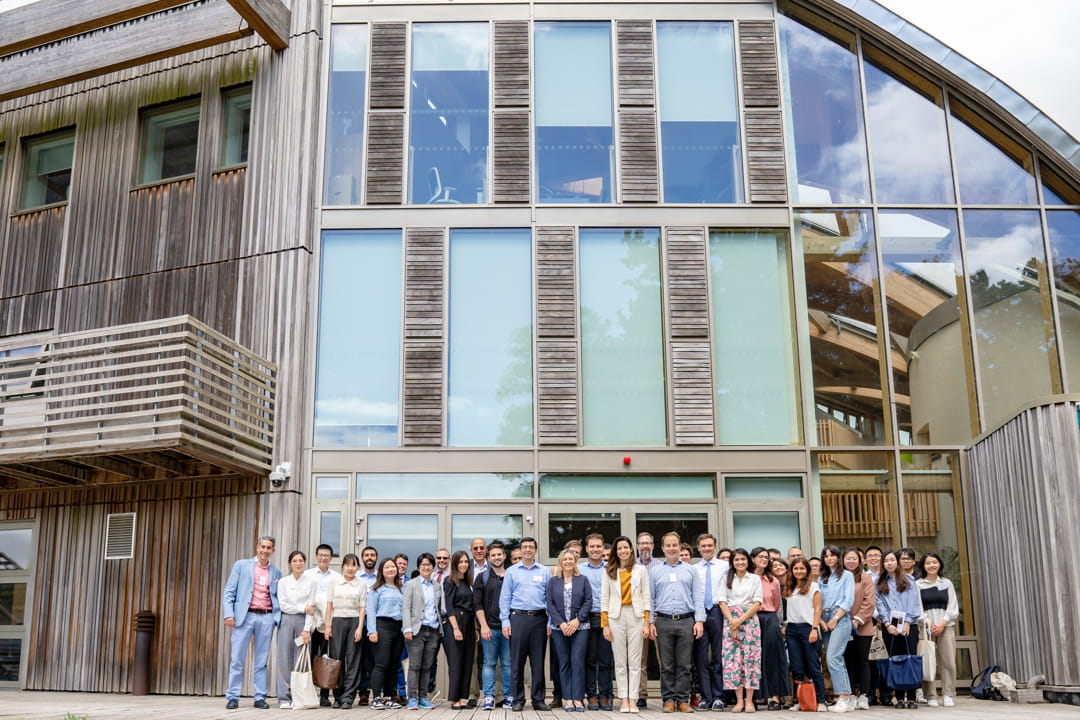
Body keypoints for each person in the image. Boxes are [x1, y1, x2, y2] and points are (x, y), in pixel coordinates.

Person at [222, 536, 281, 710]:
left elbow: (278, 596)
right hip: (244, 616)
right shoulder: (241, 565)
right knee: (237, 659)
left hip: (267, 617)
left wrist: (276, 619)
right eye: (262, 547)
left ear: (273, 551)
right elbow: (229, 591)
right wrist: (228, 614)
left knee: (261, 660)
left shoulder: (276, 572)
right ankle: (233, 696)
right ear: (257, 547)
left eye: (268, 548)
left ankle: (260, 697)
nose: (265, 550)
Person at [648, 532, 705, 713]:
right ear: (663, 548)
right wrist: (649, 622)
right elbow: (649, 598)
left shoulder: (690, 570)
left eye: (675, 545)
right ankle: (668, 700)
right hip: (663, 621)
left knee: (684, 664)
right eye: (668, 545)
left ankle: (682, 700)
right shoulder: (655, 571)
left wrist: (699, 621)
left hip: (686, 621)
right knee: (666, 664)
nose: (671, 548)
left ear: (680, 547)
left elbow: (698, 596)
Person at [500, 536, 552, 711]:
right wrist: (505, 621)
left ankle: (538, 700)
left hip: (539, 619)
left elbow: (549, 599)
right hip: (518, 619)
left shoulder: (545, 571)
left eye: (531, 547)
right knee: (517, 662)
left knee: (538, 662)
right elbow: (505, 598)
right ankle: (518, 700)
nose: (528, 550)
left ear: (536, 550)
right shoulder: (512, 571)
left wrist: (550, 622)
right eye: (525, 547)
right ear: (521, 551)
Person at [602, 535, 651, 714]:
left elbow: (646, 597)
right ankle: (623, 699)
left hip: (636, 616)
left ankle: (633, 699)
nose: (623, 551)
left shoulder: (640, 570)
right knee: (620, 661)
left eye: (626, 548)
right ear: (616, 551)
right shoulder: (609, 570)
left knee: (636, 661)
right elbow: (604, 599)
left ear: (631, 550)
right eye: (619, 548)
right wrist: (605, 625)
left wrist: (647, 622)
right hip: (616, 616)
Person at [548, 548, 593, 711]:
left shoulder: (583, 580)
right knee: (564, 662)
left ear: (575, 562)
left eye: (571, 559)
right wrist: (561, 623)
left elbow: (588, 601)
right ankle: (568, 698)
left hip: (580, 628)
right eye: (565, 559)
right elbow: (550, 604)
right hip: (559, 628)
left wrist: (576, 621)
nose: (568, 561)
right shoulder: (553, 581)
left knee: (578, 662)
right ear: (560, 562)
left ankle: (578, 698)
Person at [876, 551, 922, 709]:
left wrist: (908, 622)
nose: (889, 563)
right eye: (886, 560)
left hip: (909, 625)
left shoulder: (909, 580)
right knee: (895, 659)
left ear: (897, 562)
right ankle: (900, 698)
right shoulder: (879, 582)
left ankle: (912, 697)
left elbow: (913, 601)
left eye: (891, 560)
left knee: (910, 658)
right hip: (890, 627)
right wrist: (888, 624)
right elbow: (879, 604)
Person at [718, 548, 762, 713]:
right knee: (734, 660)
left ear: (748, 561)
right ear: (732, 562)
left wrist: (740, 621)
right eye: (736, 560)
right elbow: (722, 602)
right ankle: (739, 701)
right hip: (730, 621)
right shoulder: (726, 579)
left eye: (743, 559)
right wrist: (732, 622)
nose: (740, 562)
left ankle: (749, 700)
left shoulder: (755, 579)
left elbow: (757, 603)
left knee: (750, 659)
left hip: (749, 621)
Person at [326, 553, 368, 709]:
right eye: (348, 565)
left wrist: (359, 628)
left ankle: (348, 697)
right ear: (342, 566)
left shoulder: (361, 584)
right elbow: (329, 605)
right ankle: (337, 696)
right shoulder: (334, 582)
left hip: (354, 621)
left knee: (353, 661)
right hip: (337, 621)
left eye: (354, 565)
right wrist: (328, 626)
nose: (350, 568)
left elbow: (362, 608)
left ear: (357, 567)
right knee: (337, 660)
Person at [917, 553, 959, 708]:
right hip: (926, 628)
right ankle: (931, 695)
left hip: (946, 626)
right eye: (928, 563)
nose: (932, 565)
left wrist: (942, 624)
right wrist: (928, 623)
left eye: (935, 562)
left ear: (940, 564)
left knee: (948, 661)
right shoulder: (918, 584)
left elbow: (953, 606)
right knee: (928, 661)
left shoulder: (946, 583)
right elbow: (918, 608)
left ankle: (948, 693)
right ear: (923, 566)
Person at [783, 558, 824, 712]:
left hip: (808, 628)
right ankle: (800, 701)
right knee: (796, 667)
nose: (799, 571)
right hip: (792, 630)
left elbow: (818, 609)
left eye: (802, 568)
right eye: (796, 569)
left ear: (807, 570)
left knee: (813, 666)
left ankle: (820, 701)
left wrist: (814, 629)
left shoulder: (813, 587)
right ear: (792, 571)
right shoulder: (789, 587)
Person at [276, 550, 316, 709]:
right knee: (284, 658)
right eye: (295, 561)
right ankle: (284, 697)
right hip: (286, 621)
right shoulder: (283, 582)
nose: (298, 563)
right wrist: (302, 608)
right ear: (290, 563)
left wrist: (307, 629)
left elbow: (311, 608)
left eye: (301, 560)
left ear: (304, 562)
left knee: (301, 659)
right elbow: (283, 605)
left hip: (303, 623)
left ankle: (298, 697)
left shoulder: (311, 581)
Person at [402, 552, 442, 710]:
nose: (426, 567)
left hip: (432, 630)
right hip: (416, 630)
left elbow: (437, 608)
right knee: (415, 666)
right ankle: (412, 698)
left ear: (433, 567)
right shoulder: (411, 584)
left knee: (427, 666)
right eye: (423, 565)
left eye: (429, 565)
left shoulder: (437, 586)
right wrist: (407, 628)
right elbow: (405, 607)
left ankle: (423, 697)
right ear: (419, 567)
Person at [751, 546, 789, 711]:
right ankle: (756, 696)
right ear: (753, 558)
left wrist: (779, 624)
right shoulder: (746, 578)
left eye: (766, 557)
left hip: (769, 618)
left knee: (772, 658)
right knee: (754, 659)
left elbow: (777, 604)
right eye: (760, 556)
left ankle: (774, 697)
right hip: (750, 619)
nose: (764, 559)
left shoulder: (772, 580)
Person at [818, 545, 855, 713]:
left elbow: (848, 601)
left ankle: (844, 698)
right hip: (824, 619)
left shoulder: (846, 575)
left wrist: (834, 619)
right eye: (826, 556)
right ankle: (845, 697)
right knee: (832, 658)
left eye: (832, 555)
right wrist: (821, 620)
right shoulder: (822, 577)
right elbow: (818, 601)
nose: (829, 558)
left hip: (839, 618)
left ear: (838, 557)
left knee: (834, 656)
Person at [476, 541, 513, 709]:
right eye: (493, 555)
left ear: (504, 556)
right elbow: (477, 604)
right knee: (489, 663)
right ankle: (489, 697)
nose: (497, 557)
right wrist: (483, 626)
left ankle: (508, 696)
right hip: (489, 627)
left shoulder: (512, 575)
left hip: (508, 628)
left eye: (499, 554)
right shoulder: (482, 577)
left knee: (507, 663)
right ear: (489, 558)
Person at [695, 533, 728, 712]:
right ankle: (705, 697)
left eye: (709, 545)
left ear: (714, 546)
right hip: (699, 612)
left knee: (718, 655)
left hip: (717, 611)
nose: (706, 548)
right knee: (701, 657)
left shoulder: (724, 566)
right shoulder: (694, 568)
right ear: (698, 548)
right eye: (703, 546)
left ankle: (718, 697)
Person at [580, 533, 614, 711]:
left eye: (598, 546)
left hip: (607, 619)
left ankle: (605, 696)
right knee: (590, 660)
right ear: (586, 549)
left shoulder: (611, 568)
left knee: (606, 660)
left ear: (603, 549)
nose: (595, 549)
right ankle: (592, 696)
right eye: (592, 546)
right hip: (587, 619)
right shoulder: (580, 569)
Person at [305, 544, 341, 707]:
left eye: (327, 555)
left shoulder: (337, 576)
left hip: (330, 623)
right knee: (311, 657)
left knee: (328, 658)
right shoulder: (308, 574)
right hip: (311, 623)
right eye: (320, 555)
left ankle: (325, 694)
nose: (323, 557)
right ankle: (309, 693)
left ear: (331, 558)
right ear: (316, 556)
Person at [367, 557, 405, 710]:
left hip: (398, 628)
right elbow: (370, 611)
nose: (391, 569)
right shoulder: (376, 589)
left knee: (393, 665)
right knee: (381, 664)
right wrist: (372, 631)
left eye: (393, 567)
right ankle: (376, 697)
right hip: (382, 626)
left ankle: (388, 696)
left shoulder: (401, 589)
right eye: (387, 567)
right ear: (382, 571)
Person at [842, 548, 875, 711]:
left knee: (862, 661)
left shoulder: (865, 577)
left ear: (860, 561)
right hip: (842, 627)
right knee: (848, 662)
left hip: (862, 627)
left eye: (854, 558)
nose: (851, 561)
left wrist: (856, 620)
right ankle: (852, 695)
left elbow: (869, 602)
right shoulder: (838, 578)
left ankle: (863, 695)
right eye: (848, 558)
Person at [444, 550, 477, 709]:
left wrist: (475, 628)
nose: (463, 564)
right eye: (460, 562)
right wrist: (455, 628)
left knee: (467, 661)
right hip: (456, 622)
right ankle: (454, 699)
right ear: (455, 564)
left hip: (470, 623)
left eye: (466, 562)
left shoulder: (469, 582)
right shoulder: (450, 581)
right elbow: (449, 607)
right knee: (456, 662)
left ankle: (461, 698)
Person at [636, 532, 663, 708]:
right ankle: (641, 695)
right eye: (642, 543)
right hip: (638, 618)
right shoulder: (632, 566)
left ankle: (667, 694)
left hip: (659, 617)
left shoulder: (660, 566)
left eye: (648, 543)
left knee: (664, 659)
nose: (645, 546)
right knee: (640, 660)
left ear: (653, 546)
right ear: (637, 546)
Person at [356, 546, 380, 706]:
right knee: (360, 659)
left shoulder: (381, 577)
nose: (369, 557)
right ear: (362, 558)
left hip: (377, 622)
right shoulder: (357, 577)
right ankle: (363, 692)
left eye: (372, 555)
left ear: (376, 558)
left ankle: (378, 691)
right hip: (359, 622)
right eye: (366, 555)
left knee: (376, 659)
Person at [469, 538, 490, 709]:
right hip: (469, 621)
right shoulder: (465, 567)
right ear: (471, 550)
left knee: (492, 660)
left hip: (490, 621)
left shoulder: (494, 567)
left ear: (486, 549)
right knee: (473, 660)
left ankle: (496, 695)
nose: (479, 550)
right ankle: (472, 695)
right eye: (475, 548)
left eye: (481, 548)